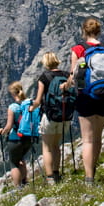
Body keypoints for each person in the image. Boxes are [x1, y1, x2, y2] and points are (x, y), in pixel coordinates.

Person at [65, 17, 104, 185]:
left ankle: (89, 179)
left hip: (86, 97)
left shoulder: (78, 49)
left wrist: (65, 86)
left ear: (83, 31)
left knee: (87, 139)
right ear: (99, 31)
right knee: (97, 137)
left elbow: (73, 77)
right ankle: (93, 169)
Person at [31, 52, 71, 184]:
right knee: (56, 146)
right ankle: (56, 173)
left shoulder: (44, 77)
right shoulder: (66, 75)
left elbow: (38, 100)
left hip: (49, 116)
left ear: (45, 63)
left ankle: (49, 178)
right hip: (64, 116)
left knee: (47, 147)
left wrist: (31, 108)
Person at [0, 82, 32, 188]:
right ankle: (25, 182)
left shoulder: (13, 107)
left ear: (13, 93)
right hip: (28, 138)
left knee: (14, 163)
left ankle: (17, 187)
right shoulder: (28, 104)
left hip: (15, 139)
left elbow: (9, 126)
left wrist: (1, 131)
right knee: (21, 159)